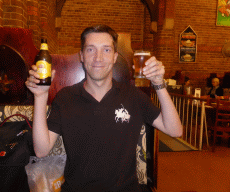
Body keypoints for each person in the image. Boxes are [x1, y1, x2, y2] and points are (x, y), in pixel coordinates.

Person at [25, 25, 182, 192]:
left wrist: (159, 83)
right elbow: (41, 151)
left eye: (106, 50)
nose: (98, 58)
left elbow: (175, 130)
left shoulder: (133, 96)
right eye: (90, 49)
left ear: (115, 57)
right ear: (82, 56)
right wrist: (40, 97)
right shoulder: (66, 97)